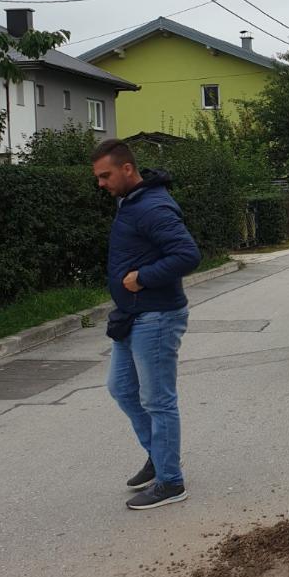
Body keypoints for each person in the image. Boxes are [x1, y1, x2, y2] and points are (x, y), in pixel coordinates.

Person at [91, 139, 201, 510]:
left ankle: (171, 481)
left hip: (156, 316)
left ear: (126, 169)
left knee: (158, 400)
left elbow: (187, 255)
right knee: (121, 388)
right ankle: (159, 454)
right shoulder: (131, 202)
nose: (101, 184)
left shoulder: (152, 206)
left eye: (105, 175)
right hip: (132, 316)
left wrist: (143, 277)